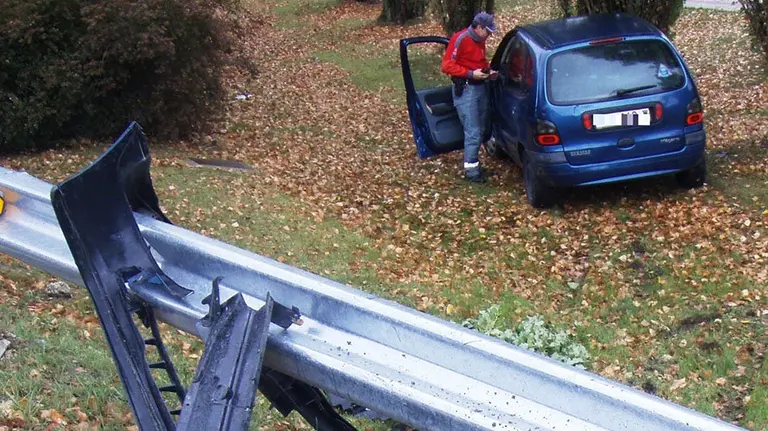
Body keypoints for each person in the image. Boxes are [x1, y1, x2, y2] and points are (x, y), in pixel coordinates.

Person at [441, 12, 498, 184]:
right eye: (487, 31)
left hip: (480, 87)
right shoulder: (461, 39)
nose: (489, 35)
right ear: (479, 27)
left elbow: (480, 62)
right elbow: (446, 65)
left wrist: (488, 72)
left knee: (480, 129)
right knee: (473, 130)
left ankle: (474, 164)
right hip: (466, 90)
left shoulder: (480, 41)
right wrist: (470, 74)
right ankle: (471, 171)